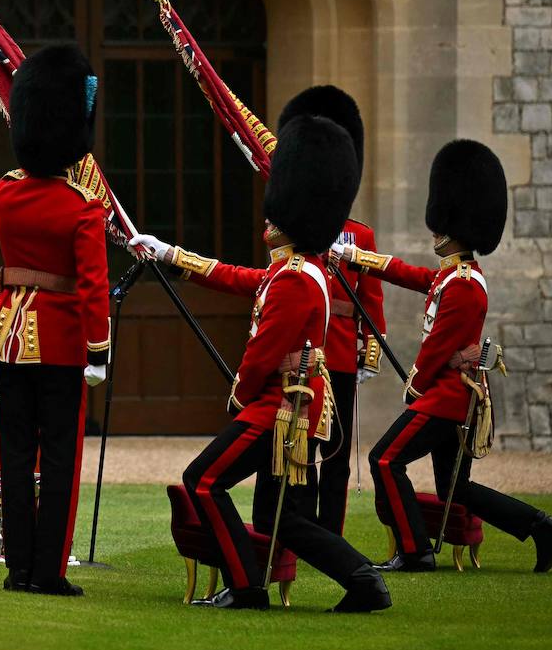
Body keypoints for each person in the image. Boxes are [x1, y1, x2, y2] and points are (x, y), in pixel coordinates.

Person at [131, 115, 390, 612]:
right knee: (281, 520)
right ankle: (364, 581)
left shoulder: (295, 277)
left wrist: (239, 393)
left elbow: (263, 353)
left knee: (203, 481)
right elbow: (230, 275)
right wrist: (166, 253)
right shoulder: (294, 270)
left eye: (272, 218)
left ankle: (247, 587)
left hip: (276, 410)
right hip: (289, 410)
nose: (265, 224)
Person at [334, 139, 552, 573]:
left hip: (445, 398)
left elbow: (438, 348)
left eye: (439, 227)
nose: (433, 233)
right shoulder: (454, 275)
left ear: (452, 227)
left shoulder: (462, 283)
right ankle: (542, 527)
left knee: (384, 460)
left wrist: (415, 386)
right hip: (449, 397)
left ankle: (415, 552)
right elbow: (411, 274)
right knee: (454, 489)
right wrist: (356, 257)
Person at [0, 44, 110, 597]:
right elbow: (93, 287)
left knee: (14, 456)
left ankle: (18, 567)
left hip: (7, 339)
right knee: (59, 459)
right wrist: (99, 350)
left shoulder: (3, 194)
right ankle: (49, 570)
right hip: (59, 343)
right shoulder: (81, 207)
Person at [276, 87, 385, 536]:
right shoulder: (293, 236)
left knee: (336, 452)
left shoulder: (361, 235)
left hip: (341, 354)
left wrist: (370, 352)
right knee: (301, 441)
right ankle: (302, 528)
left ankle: (330, 532)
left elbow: (372, 301)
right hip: (301, 350)